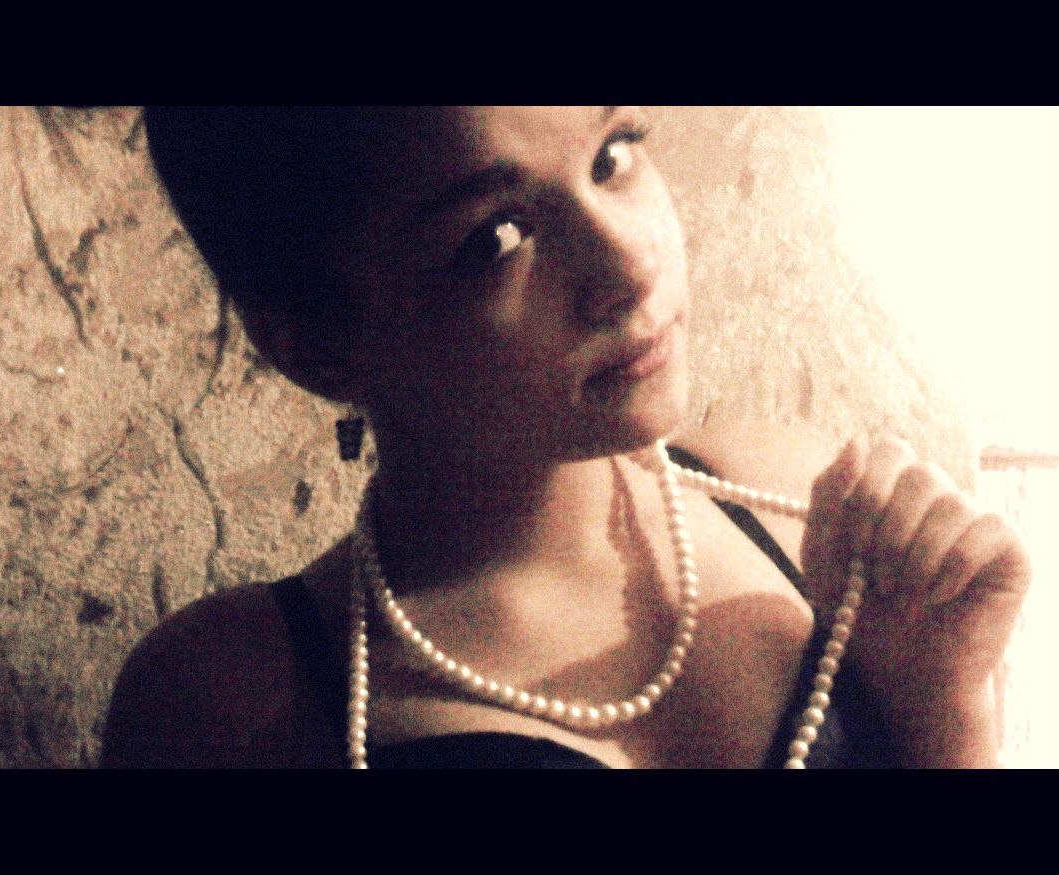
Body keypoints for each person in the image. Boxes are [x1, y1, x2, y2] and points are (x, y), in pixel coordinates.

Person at [100, 107, 1031, 768]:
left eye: (613, 155)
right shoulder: (228, 698)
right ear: (317, 346)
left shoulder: (810, 509)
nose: (627, 263)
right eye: (495, 238)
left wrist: (945, 713)